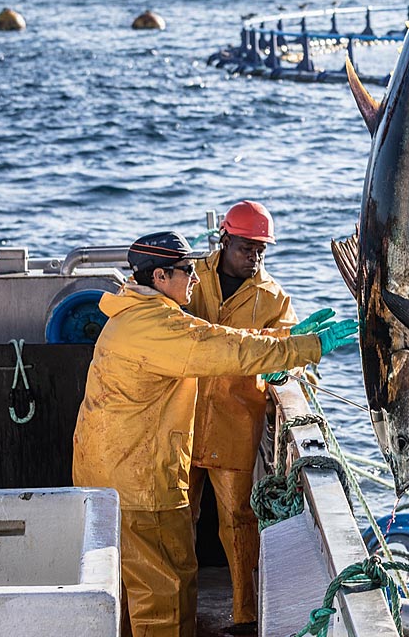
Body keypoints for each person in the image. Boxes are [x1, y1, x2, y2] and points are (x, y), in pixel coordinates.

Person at [72, 230, 355, 637]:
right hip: (140, 483)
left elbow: (219, 339)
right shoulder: (159, 327)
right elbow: (226, 350)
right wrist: (305, 346)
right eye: (186, 270)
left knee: (130, 589)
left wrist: (286, 337)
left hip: (110, 474)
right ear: (159, 277)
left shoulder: (134, 314)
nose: (194, 277)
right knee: (163, 595)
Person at [184, 200, 300, 633]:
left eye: (261, 250)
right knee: (178, 518)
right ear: (225, 239)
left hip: (234, 423)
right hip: (181, 420)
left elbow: (290, 351)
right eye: (247, 247)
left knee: (238, 523)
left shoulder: (273, 297)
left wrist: (289, 364)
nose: (254, 257)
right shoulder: (191, 279)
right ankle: (177, 607)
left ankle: (245, 615)